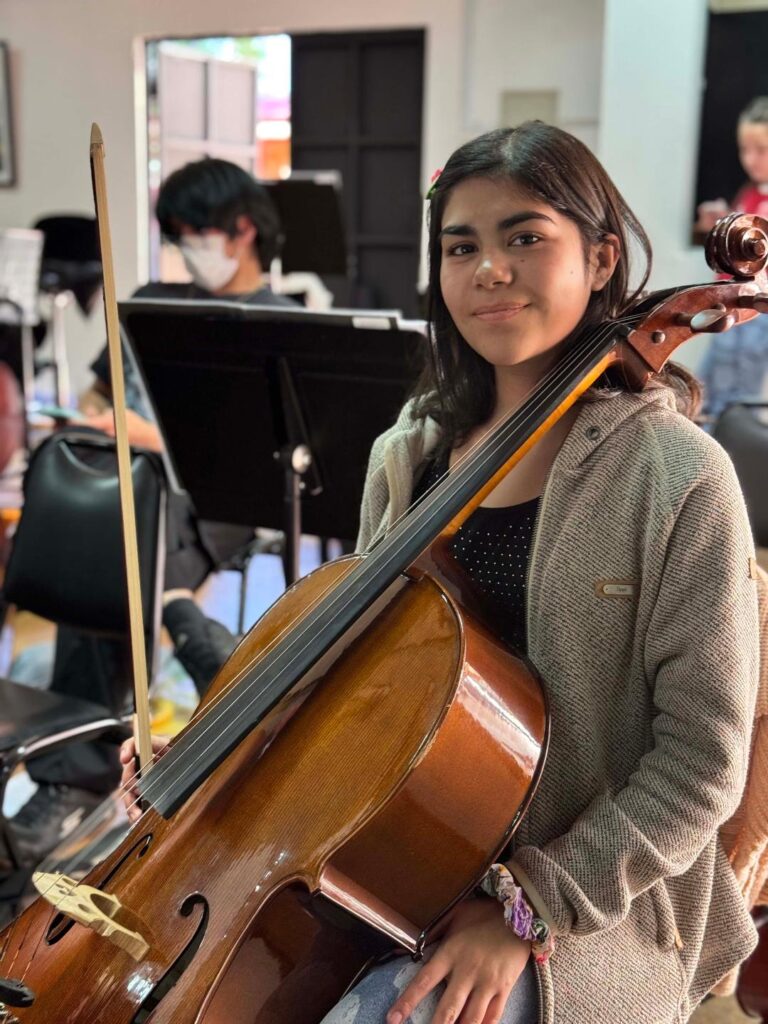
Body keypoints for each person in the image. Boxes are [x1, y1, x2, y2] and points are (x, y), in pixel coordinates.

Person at [122, 123, 760, 1024]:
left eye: (525, 237)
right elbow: (359, 681)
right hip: (391, 852)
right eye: (462, 246)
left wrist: (529, 909)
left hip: (592, 903)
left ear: (603, 255)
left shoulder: (678, 477)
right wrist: (211, 746)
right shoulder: (411, 454)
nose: (489, 269)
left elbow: (701, 768)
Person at [11, 159, 289, 865]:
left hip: (206, 503)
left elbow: (248, 455)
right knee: (100, 523)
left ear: (243, 229)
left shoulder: (277, 323)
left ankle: (77, 775)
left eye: (195, 232)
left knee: (114, 541)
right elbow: (96, 404)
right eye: (177, 235)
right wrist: (115, 427)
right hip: (122, 490)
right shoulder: (147, 300)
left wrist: (147, 436)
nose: (184, 248)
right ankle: (81, 755)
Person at [696, 96, 768, 421]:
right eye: (744, 149)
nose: (750, 160)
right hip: (728, 302)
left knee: (735, 397)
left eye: (761, 150)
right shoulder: (749, 193)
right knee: (706, 386)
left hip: (753, 309)